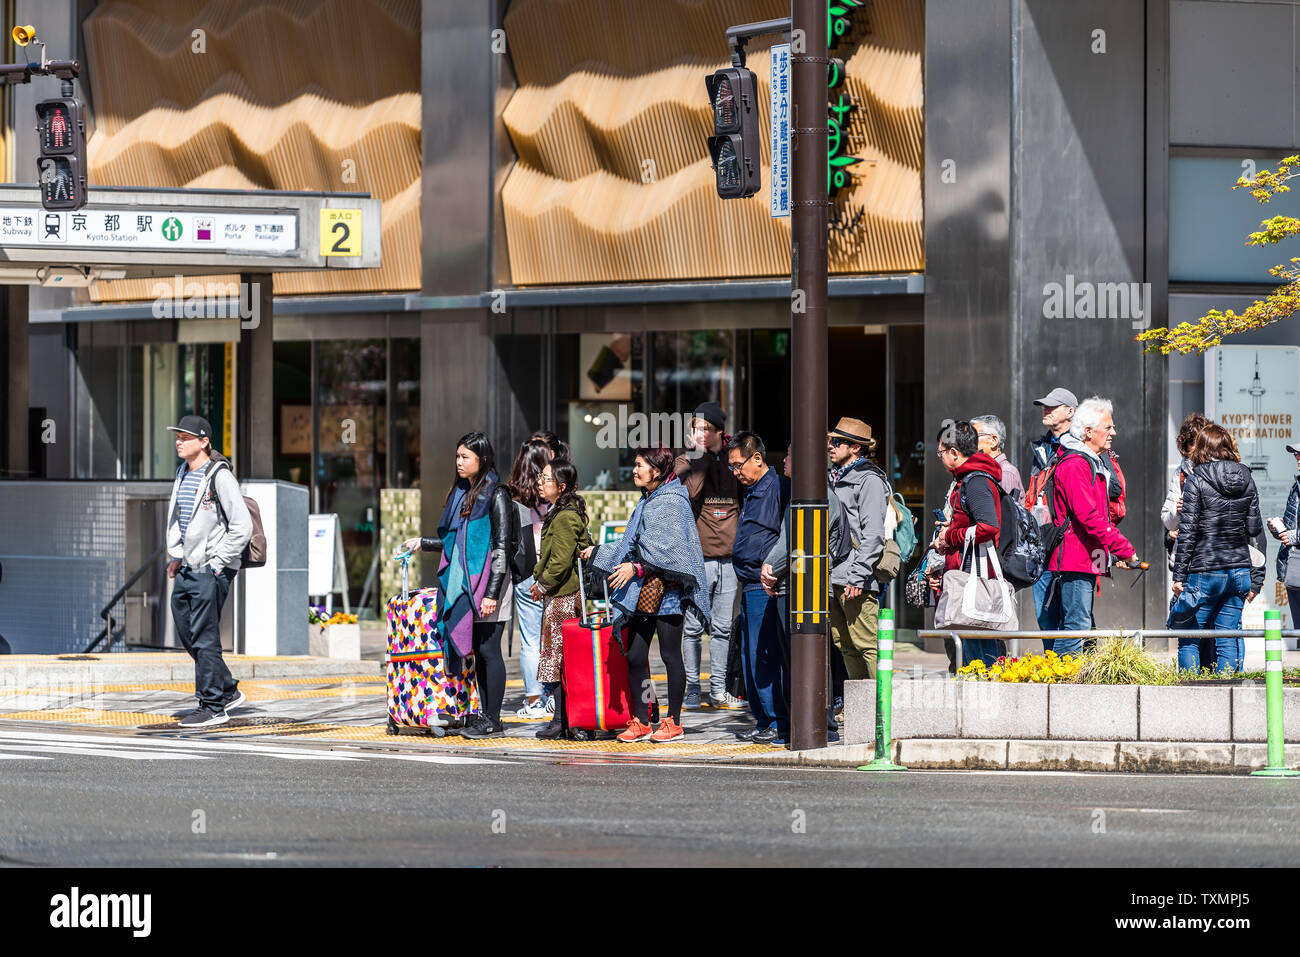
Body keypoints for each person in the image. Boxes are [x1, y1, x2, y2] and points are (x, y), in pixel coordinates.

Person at [583, 446, 709, 743]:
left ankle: (674, 721)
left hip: (668, 593)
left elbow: (672, 553)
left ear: (657, 469)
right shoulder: (646, 501)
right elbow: (633, 544)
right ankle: (642, 719)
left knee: (669, 655)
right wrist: (599, 553)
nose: (635, 470)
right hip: (641, 593)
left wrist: (636, 569)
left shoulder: (673, 502)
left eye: (640, 465)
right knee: (636, 655)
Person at [402, 432, 513, 738]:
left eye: (466, 457)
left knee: (490, 649)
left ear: (483, 459)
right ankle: (485, 717)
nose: (459, 462)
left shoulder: (496, 494)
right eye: (458, 456)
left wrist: (491, 592)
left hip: (492, 583)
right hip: (467, 585)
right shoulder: (463, 494)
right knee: (477, 650)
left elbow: (501, 547)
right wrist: (422, 543)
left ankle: (494, 718)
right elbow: (455, 545)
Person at [164, 414, 253, 728]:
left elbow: (243, 526)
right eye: (177, 436)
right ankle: (226, 688)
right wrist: (177, 556)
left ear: (204, 441)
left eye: (186, 437)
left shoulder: (220, 476)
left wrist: (218, 563)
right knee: (187, 631)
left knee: (205, 636)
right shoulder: (182, 473)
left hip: (211, 570)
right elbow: (184, 523)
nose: (179, 441)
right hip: (188, 568)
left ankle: (212, 705)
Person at [1035, 397, 1140, 656]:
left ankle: (1068, 681)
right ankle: (1065, 685)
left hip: (1082, 556)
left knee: (1078, 623)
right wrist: (1124, 549)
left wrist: (1113, 553)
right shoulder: (1076, 464)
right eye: (1108, 427)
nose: (1113, 432)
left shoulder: (1085, 461)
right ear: (1088, 432)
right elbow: (1089, 517)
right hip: (1075, 557)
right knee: (1075, 625)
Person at [1170, 424, 1264, 673]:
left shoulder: (1196, 479)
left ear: (1201, 448)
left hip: (1205, 570)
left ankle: (1191, 695)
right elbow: (1254, 528)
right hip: (1239, 570)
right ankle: (1226, 695)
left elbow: (1188, 532)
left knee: (1189, 636)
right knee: (1227, 637)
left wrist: (1178, 577)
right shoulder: (1247, 477)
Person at [674, 401, 745, 711]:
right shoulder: (686, 459)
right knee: (692, 626)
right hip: (698, 559)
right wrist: (700, 457)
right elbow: (689, 492)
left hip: (729, 558)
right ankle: (692, 687)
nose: (699, 433)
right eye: (695, 428)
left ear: (720, 431)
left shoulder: (735, 457)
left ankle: (717, 689)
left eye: (705, 429)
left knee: (722, 628)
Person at [728, 432, 792, 745]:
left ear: (757, 458)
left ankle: (775, 719)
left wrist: (774, 568)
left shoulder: (778, 488)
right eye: (732, 468)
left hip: (765, 583)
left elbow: (785, 535)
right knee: (750, 655)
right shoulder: (753, 490)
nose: (736, 472)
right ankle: (764, 718)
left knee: (763, 656)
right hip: (749, 581)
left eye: (739, 465)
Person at [933, 421, 1006, 667]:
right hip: (966, 575)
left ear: (954, 452)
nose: (940, 458)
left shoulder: (975, 481)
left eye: (941, 452)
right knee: (970, 654)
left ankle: (984, 702)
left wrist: (949, 537)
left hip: (975, 579)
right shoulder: (967, 478)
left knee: (978, 659)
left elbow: (988, 526)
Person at [529, 459, 592, 741]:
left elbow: (561, 560)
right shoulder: (561, 512)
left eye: (546, 479)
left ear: (562, 486)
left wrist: (542, 584)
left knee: (559, 659)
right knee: (562, 659)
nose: (541, 482)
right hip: (562, 594)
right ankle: (565, 720)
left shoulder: (565, 516)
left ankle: (562, 721)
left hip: (563, 596)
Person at [825, 417, 891, 679]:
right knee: (845, 645)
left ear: (855, 448)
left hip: (855, 576)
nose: (831, 446)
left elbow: (873, 534)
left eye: (838, 442)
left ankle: (881, 710)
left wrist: (859, 573)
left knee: (867, 644)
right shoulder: (833, 476)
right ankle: (859, 707)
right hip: (832, 574)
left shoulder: (869, 480)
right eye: (831, 441)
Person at [1161, 414, 1215, 667]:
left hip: (1214, 563)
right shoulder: (1181, 473)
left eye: (1192, 452)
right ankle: (1190, 688)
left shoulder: (1221, 470)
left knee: (1216, 634)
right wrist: (1179, 512)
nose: (1189, 459)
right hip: (1186, 563)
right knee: (1188, 633)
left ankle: (1217, 683)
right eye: (1185, 453)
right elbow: (1167, 520)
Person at [507, 439, 554, 718]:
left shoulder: (515, 501)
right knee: (552, 637)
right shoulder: (554, 497)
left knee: (531, 639)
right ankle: (550, 695)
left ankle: (534, 700)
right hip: (553, 574)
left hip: (526, 576)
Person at [1026, 387, 1078, 623]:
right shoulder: (1041, 448)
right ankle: (1052, 661)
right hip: (1042, 543)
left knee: (1074, 615)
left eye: (1052, 406)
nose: (1045, 410)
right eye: (1044, 405)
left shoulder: (1080, 447)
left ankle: (1077, 661)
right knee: (1045, 617)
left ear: (1070, 412)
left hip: (1071, 544)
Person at [1275, 442, 1300, 628]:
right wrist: (1279, 529)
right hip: (1294, 568)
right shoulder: (1296, 486)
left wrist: (1294, 536)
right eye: (1296, 454)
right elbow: (1291, 525)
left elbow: (1294, 534)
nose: (1296, 457)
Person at [971, 414, 1024, 499]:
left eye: (975, 437)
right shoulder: (986, 470)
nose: (970, 442)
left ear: (993, 441)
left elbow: (1006, 511)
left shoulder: (1006, 472)